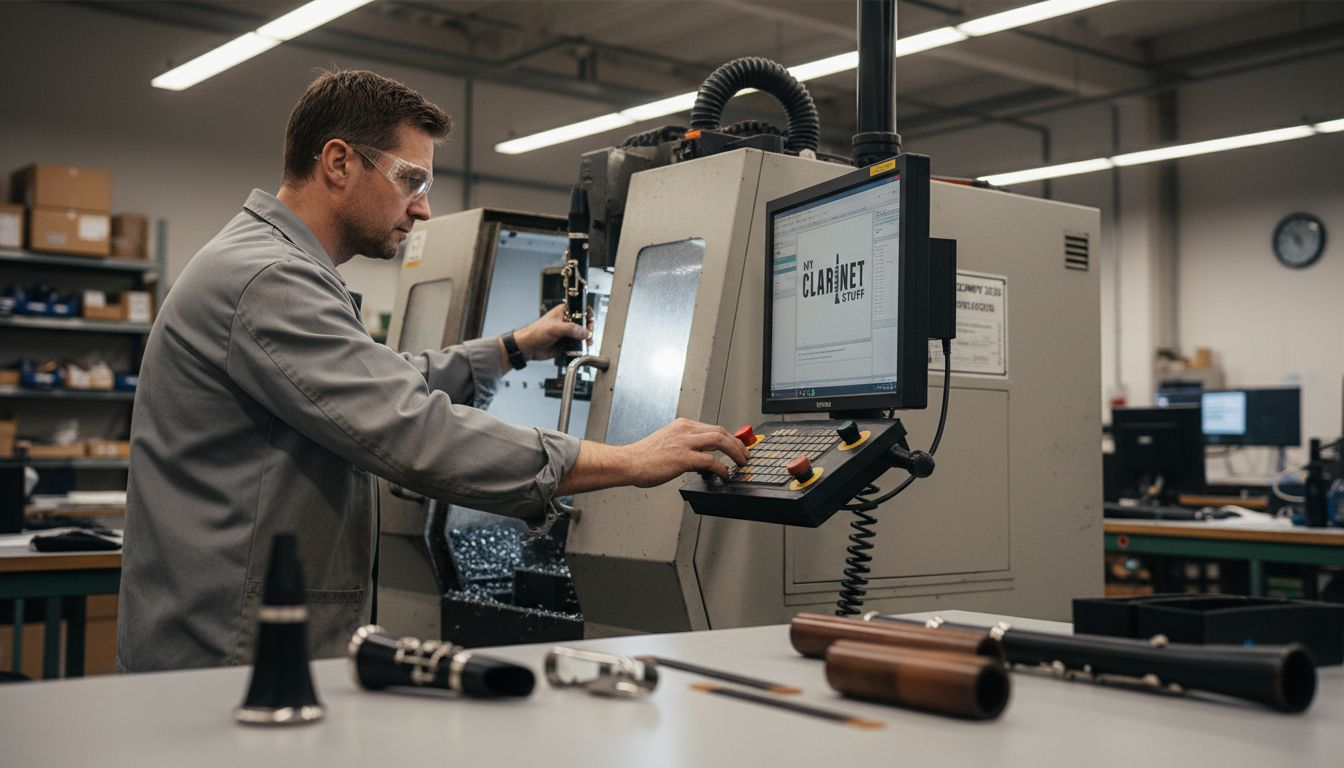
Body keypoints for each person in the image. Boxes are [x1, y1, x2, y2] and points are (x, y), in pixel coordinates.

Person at [117, 69, 746, 672]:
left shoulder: (270, 265)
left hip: (247, 647)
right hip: (228, 658)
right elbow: (412, 429)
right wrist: (628, 461)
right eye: (410, 179)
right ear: (337, 162)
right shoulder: (268, 279)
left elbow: (377, 379)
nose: (421, 209)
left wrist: (510, 349)